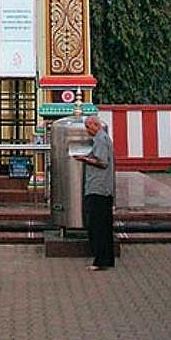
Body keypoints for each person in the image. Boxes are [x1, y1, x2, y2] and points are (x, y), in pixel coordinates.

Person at [73, 115, 115, 270]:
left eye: (88, 127)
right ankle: (106, 258)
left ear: (96, 125)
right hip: (101, 188)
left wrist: (84, 159)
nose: (87, 130)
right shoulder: (102, 138)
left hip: (99, 188)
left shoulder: (101, 139)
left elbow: (102, 162)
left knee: (97, 226)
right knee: (104, 226)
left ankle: (101, 260)